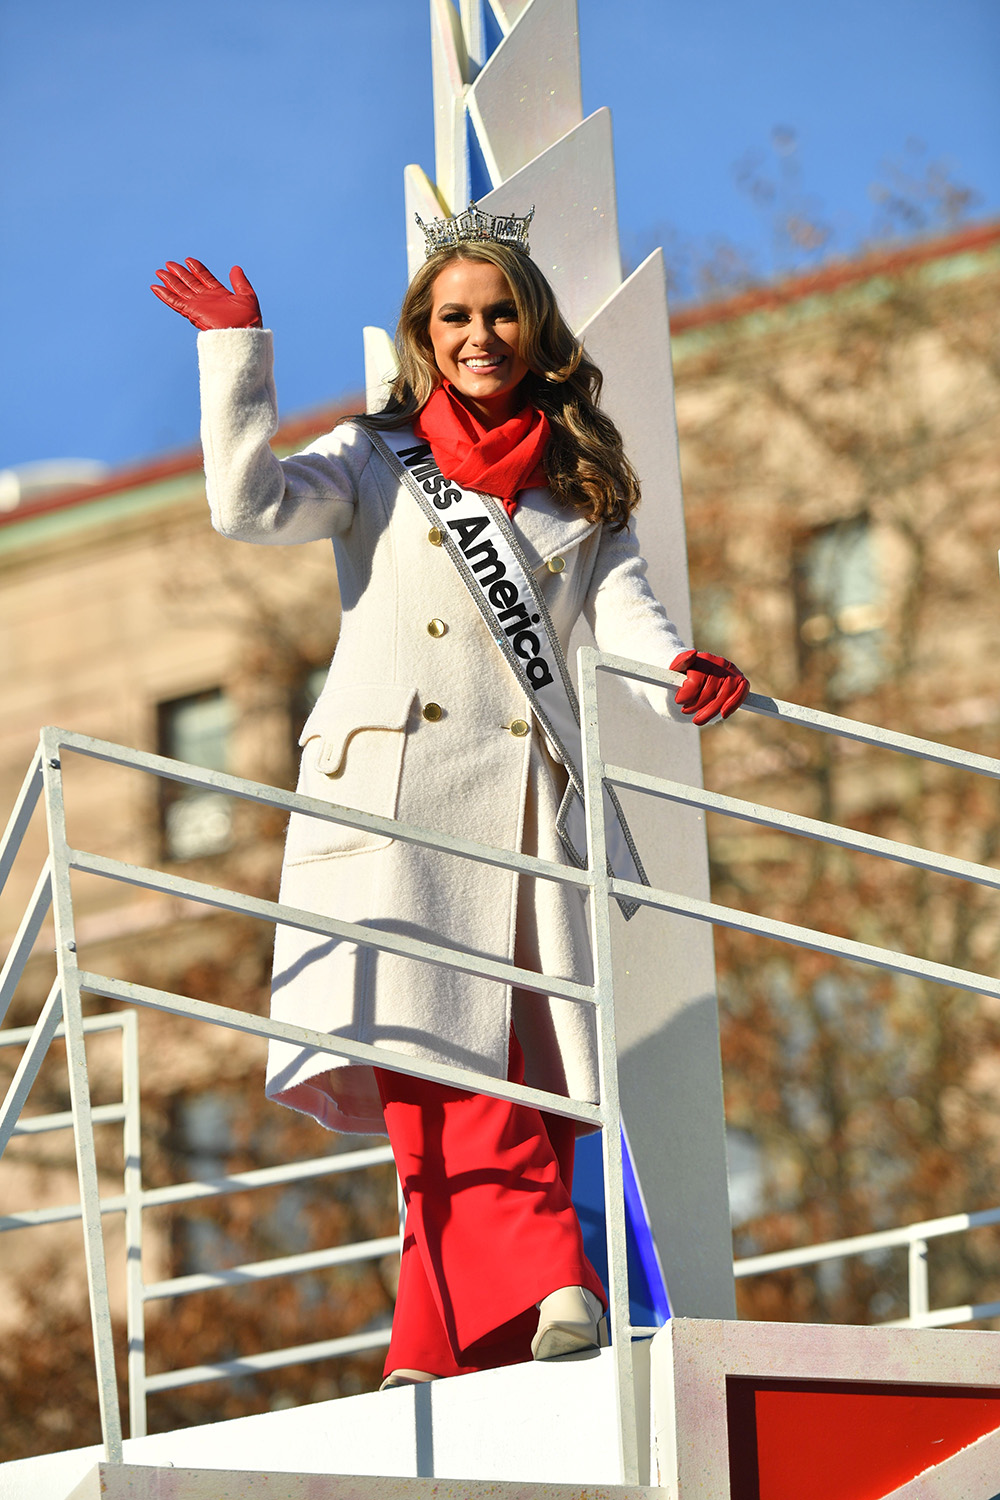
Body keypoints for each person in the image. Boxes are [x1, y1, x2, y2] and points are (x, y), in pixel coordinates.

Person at [151, 205, 749, 1388]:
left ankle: (431, 1355)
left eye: (499, 313)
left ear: (534, 328)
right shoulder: (375, 457)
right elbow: (251, 507)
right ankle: (547, 1282)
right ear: (427, 334)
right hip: (393, 810)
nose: (479, 334)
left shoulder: (582, 490)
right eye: (454, 316)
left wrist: (682, 675)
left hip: (523, 815)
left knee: (496, 1075)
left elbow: (626, 633)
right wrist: (239, 361)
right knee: (444, 1061)